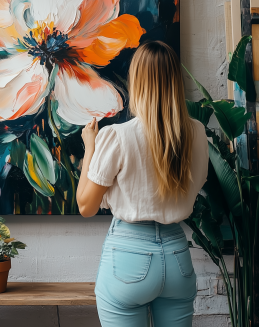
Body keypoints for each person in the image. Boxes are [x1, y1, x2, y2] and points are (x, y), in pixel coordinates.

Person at [76, 41, 209, 327]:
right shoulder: (197, 134)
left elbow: (86, 206)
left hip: (128, 259)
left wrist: (90, 147)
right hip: (177, 257)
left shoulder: (117, 136)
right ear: (175, 81)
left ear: (137, 82)